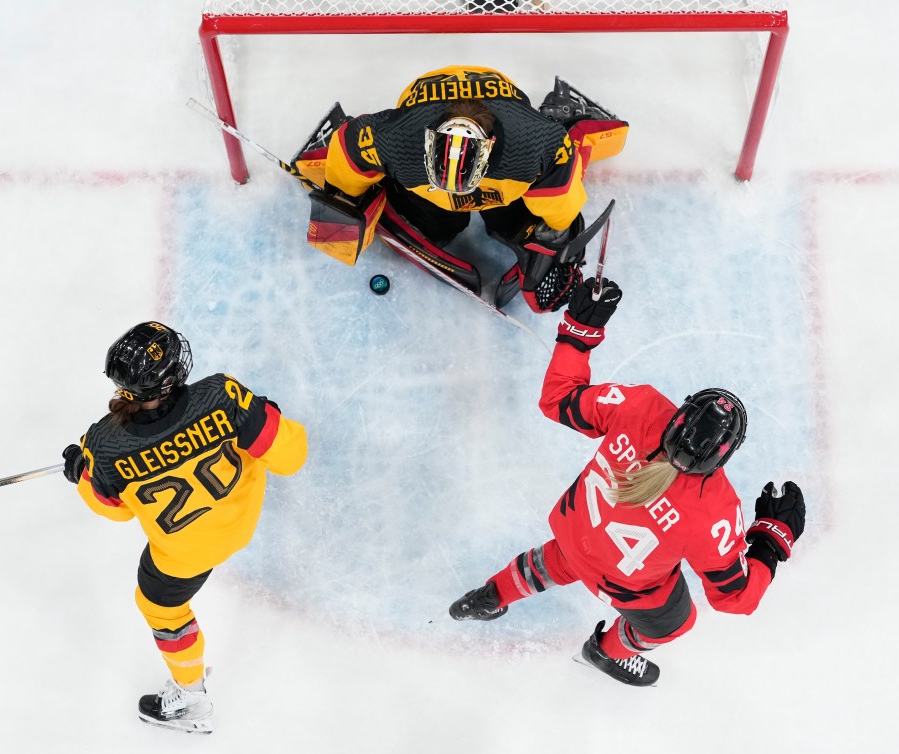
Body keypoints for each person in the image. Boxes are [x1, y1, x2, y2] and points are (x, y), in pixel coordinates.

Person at [448, 280, 806, 686]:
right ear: (723, 456)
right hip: (624, 580)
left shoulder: (642, 407)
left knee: (572, 555)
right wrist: (772, 538)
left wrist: (579, 330)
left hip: (574, 529)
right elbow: (737, 598)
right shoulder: (714, 512)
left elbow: (557, 399)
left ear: (680, 411)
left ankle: (493, 594)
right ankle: (606, 652)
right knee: (676, 623)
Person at [61, 322, 307, 732]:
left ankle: (190, 695)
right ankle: (190, 695)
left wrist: (83, 474)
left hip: (185, 555)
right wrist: (265, 414)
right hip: (240, 521)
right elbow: (291, 456)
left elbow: (115, 510)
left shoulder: (103, 445)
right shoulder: (222, 395)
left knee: (160, 609)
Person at [298, 66, 629, 312]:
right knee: (441, 223)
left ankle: (567, 115)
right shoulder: (397, 138)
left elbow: (561, 182)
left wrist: (555, 231)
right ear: (427, 143)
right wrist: (343, 197)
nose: (460, 198)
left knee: (516, 220)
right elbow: (349, 143)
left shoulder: (536, 144)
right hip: (426, 119)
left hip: (507, 123)